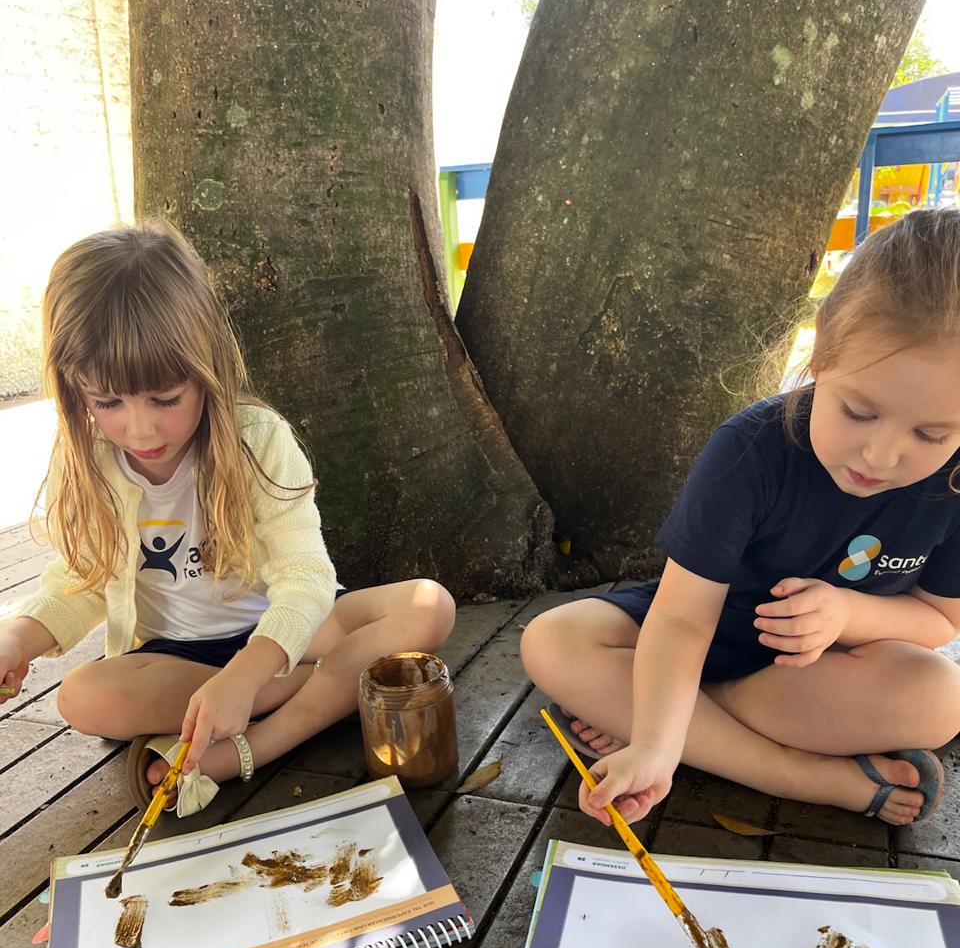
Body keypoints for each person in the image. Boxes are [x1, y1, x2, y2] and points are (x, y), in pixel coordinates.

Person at [521, 208, 960, 830]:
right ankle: (801, 774)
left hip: (808, 676)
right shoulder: (750, 447)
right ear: (821, 352)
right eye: (859, 412)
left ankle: (673, 717)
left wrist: (846, 612)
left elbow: (940, 619)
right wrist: (656, 748)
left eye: (931, 434)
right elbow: (680, 618)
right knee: (552, 640)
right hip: (699, 627)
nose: (881, 456)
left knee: (940, 699)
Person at [0, 220, 455, 815]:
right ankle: (326, 690)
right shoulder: (86, 457)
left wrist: (246, 677)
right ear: (73, 387)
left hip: (285, 633)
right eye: (107, 401)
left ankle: (260, 742)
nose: (140, 429)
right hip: (177, 657)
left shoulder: (256, 438)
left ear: (207, 365)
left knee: (429, 605)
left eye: (165, 398)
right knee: (82, 698)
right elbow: (80, 581)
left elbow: (306, 578)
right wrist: (17, 639)